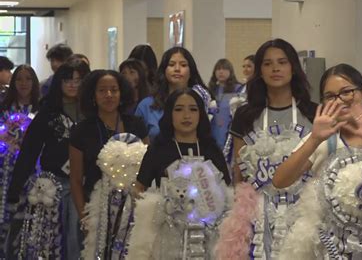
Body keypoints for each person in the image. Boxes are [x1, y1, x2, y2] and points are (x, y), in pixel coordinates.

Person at [272, 63, 362, 259]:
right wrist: (315, 139)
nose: (340, 101)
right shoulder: (322, 140)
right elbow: (280, 180)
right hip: (331, 247)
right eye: (330, 96)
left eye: (347, 92)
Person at [214, 38, 317, 259]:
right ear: (259, 70)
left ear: (293, 68)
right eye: (268, 64)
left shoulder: (313, 112)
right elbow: (239, 172)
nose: (276, 68)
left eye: (282, 62)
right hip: (258, 215)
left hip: (304, 212)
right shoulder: (245, 115)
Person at [128, 88, 231, 258]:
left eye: (193, 109)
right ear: (169, 114)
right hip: (167, 241)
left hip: (207, 240)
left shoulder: (212, 149)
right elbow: (139, 189)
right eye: (178, 109)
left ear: (201, 114)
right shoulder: (158, 149)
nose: (186, 115)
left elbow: (227, 192)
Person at [6, 59, 90, 259]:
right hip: (54, 187)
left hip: (87, 185)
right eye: (67, 80)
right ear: (59, 83)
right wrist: (15, 189)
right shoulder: (48, 113)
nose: (72, 84)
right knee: (54, 242)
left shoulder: (91, 114)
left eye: (78, 80)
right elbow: (29, 151)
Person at [69, 70, 149, 221]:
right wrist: (83, 218)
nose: (109, 95)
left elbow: (148, 168)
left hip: (134, 208)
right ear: (93, 95)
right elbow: (76, 180)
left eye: (114, 90)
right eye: (102, 90)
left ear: (122, 93)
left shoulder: (136, 124)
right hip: (97, 210)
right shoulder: (81, 130)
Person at [0, 64, 40, 257]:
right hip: (5, 170)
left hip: (33, 172)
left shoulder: (42, 108)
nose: (24, 83)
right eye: (19, 79)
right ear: (13, 82)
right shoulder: (3, 108)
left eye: (28, 79)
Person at [135, 47, 212, 141]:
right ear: (164, 70)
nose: (177, 69)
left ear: (191, 71)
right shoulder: (146, 105)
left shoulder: (202, 102)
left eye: (183, 65)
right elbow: (135, 145)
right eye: (171, 65)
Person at [208, 58, 241, 149]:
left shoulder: (238, 89)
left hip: (230, 128)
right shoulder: (210, 90)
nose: (221, 72)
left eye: (224, 69)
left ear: (230, 71)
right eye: (218, 69)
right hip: (214, 128)